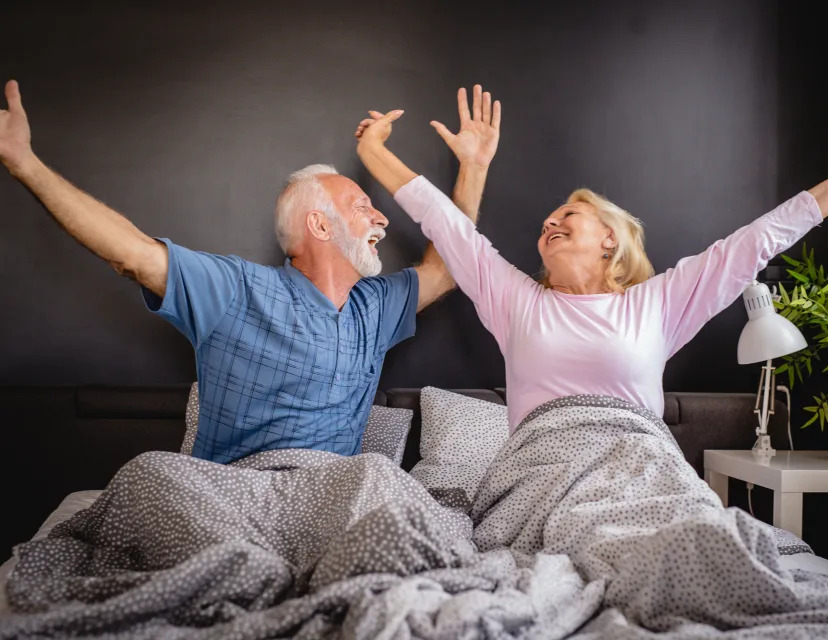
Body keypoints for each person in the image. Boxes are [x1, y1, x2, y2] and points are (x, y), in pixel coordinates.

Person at [0, 81, 502, 463]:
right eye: (363, 206)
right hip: (234, 497)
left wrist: (473, 167)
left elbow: (446, 265)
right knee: (151, 475)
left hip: (329, 501)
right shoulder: (237, 290)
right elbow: (130, 253)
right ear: (319, 225)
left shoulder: (376, 307)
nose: (382, 217)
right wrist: (26, 164)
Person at [354, 106, 828, 432]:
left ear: (610, 237)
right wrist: (373, 151)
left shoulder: (656, 304)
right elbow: (445, 223)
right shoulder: (517, 301)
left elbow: (753, 244)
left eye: (568, 214)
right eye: (548, 220)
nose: (549, 222)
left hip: (638, 469)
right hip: (542, 476)